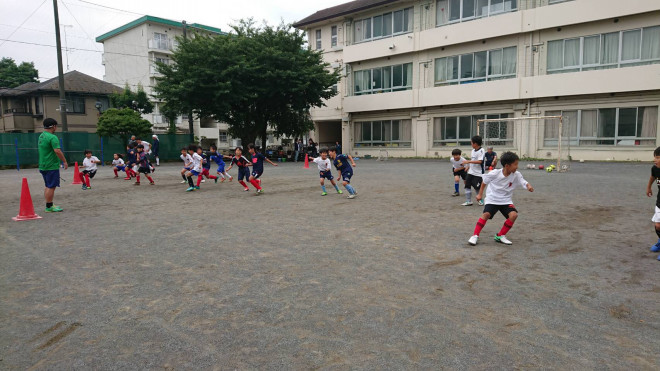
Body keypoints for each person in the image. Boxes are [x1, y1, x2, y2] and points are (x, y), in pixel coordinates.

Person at [468, 152, 534, 246]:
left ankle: (500, 235)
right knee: (486, 214)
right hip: (492, 199)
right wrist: (480, 194)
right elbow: (484, 182)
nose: (517, 167)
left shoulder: (516, 174)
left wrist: (529, 186)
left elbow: (524, 182)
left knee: (513, 215)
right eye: (515, 164)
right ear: (507, 166)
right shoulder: (495, 173)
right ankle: (475, 235)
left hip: (505, 200)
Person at [38, 118, 68, 212]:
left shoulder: (42, 136)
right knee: (51, 186)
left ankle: (49, 204)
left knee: (48, 185)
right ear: (53, 126)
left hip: (43, 164)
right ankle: (49, 206)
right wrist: (64, 161)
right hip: (51, 165)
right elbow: (57, 151)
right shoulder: (52, 137)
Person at [645, 146, 660, 261]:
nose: (655, 160)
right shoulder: (655, 168)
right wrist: (649, 187)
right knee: (658, 225)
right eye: (655, 157)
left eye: (658, 157)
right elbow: (652, 177)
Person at [461, 135, 485, 206]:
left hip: (478, 173)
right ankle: (468, 201)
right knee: (467, 186)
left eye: (471, 142)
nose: (471, 144)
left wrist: (468, 162)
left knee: (477, 187)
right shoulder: (472, 151)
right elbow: (473, 160)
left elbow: (480, 161)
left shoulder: (481, 150)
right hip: (471, 172)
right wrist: (468, 166)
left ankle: (480, 200)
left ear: (475, 143)